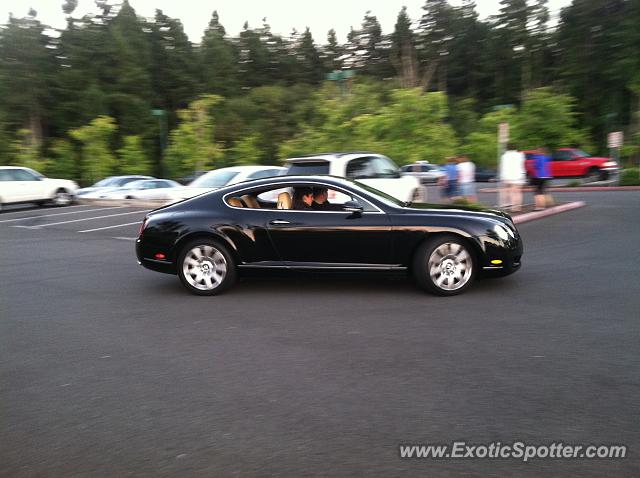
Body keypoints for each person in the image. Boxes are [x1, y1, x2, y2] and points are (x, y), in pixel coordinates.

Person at [499, 143, 526, 211]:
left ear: (507, 148)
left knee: (509, 191)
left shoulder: (504, 156)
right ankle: (517, 207)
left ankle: (507, 205)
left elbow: (502, 166)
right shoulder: (521, 155)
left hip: (507, 176)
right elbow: (522, 164)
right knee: (518, 192)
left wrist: (502, 176)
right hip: (519, 176)